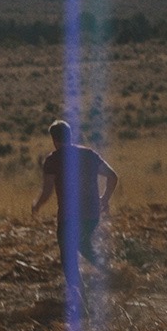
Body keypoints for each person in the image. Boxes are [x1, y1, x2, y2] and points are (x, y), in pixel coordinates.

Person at [31, 120, 118, 292]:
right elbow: (112, 176)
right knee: (84, 245)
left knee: (68, 256)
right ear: (70, 136)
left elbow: (47, 191)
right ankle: (113, 274)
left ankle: (79, 294)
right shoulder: (89, 155)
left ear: (54, 139)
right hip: (92, 215)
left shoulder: (53, 160)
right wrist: (105, 198)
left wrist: (37, 205)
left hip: (68, 218)